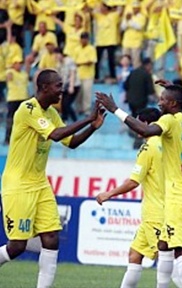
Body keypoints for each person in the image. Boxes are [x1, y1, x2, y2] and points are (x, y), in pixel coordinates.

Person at [96, 80, 182, 288]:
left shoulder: (166, 125)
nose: (160, 102)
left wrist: (115, 110)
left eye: (164, 99)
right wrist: (180, 91)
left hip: (173, 199)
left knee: (180, 250)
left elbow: (146, 132)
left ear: (173, 104)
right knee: (161, 248)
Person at [0, 69, 105, 288]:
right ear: (44, 87)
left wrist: (92, 128)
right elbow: (56, 135)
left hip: (39, 184)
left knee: (51, 239)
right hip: (18, 185)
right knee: (17, 246)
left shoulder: (52, 113)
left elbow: (71, 142)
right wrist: (88, 117)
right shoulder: (28, 109)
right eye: (58, 85)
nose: (62, 89)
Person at [96, 108, 166, 288]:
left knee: (168, 262)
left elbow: (133, 182)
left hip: (156, 214)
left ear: (148, 125)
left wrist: (108, 194)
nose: (135, 129)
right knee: (135, 255)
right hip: (160, 211)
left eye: (138, 123)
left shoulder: (149, 147)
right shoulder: (168, 143)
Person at [4, 56, 29, 144]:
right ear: (14, 64)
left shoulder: (24, 74)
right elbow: (8, 77)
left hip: (23, 98)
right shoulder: (10, 72)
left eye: (20, 63)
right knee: (10, 119)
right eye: (17, 63)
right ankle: (7, 138)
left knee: (23, 120)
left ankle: (22, 138)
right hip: (13, 99)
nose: (19, 65)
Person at [75, 32, 97, 116]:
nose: (83, 40)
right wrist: (83, 63)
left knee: (87, 93)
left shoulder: (91, 49)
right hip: (78, 74)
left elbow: (91, 61)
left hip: (88, 75)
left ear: (88, 39)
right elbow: (74, 62)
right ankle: (79, 108)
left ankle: (86, 110)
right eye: (82, 38)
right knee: (79, 93)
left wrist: (80, 63)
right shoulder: (77, 49)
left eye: (85, 39)